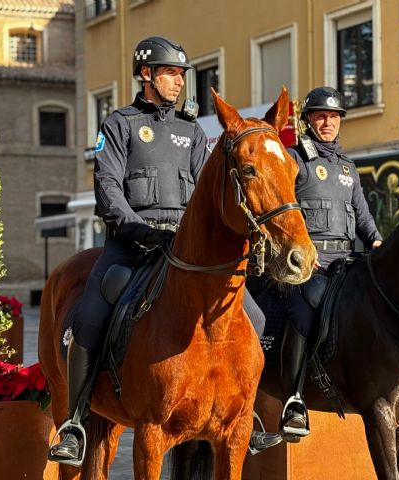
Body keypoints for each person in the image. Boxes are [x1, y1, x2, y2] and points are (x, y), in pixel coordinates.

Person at [49, 35, 280, 464]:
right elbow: (108, 189)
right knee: (88, 317)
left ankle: (245, 416)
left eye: (181, 75)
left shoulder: (192, 131)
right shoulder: (119, 124)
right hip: (131, 247)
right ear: (146, 75)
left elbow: (209, 195)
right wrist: (140, 231)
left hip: (184, 249)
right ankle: (76, 422)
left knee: (257, 315)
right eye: (171, 73)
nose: (178, 82)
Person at [277, 86, 382, 440]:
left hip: (347, 261)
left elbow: (363, 216)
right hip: (309, 264)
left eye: (334, 117)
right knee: (306, 311)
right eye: (321, 116)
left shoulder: (347, 167)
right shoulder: (293, 160)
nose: (328, 123)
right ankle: (293, 397)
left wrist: (377, 241)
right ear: (307, 121)